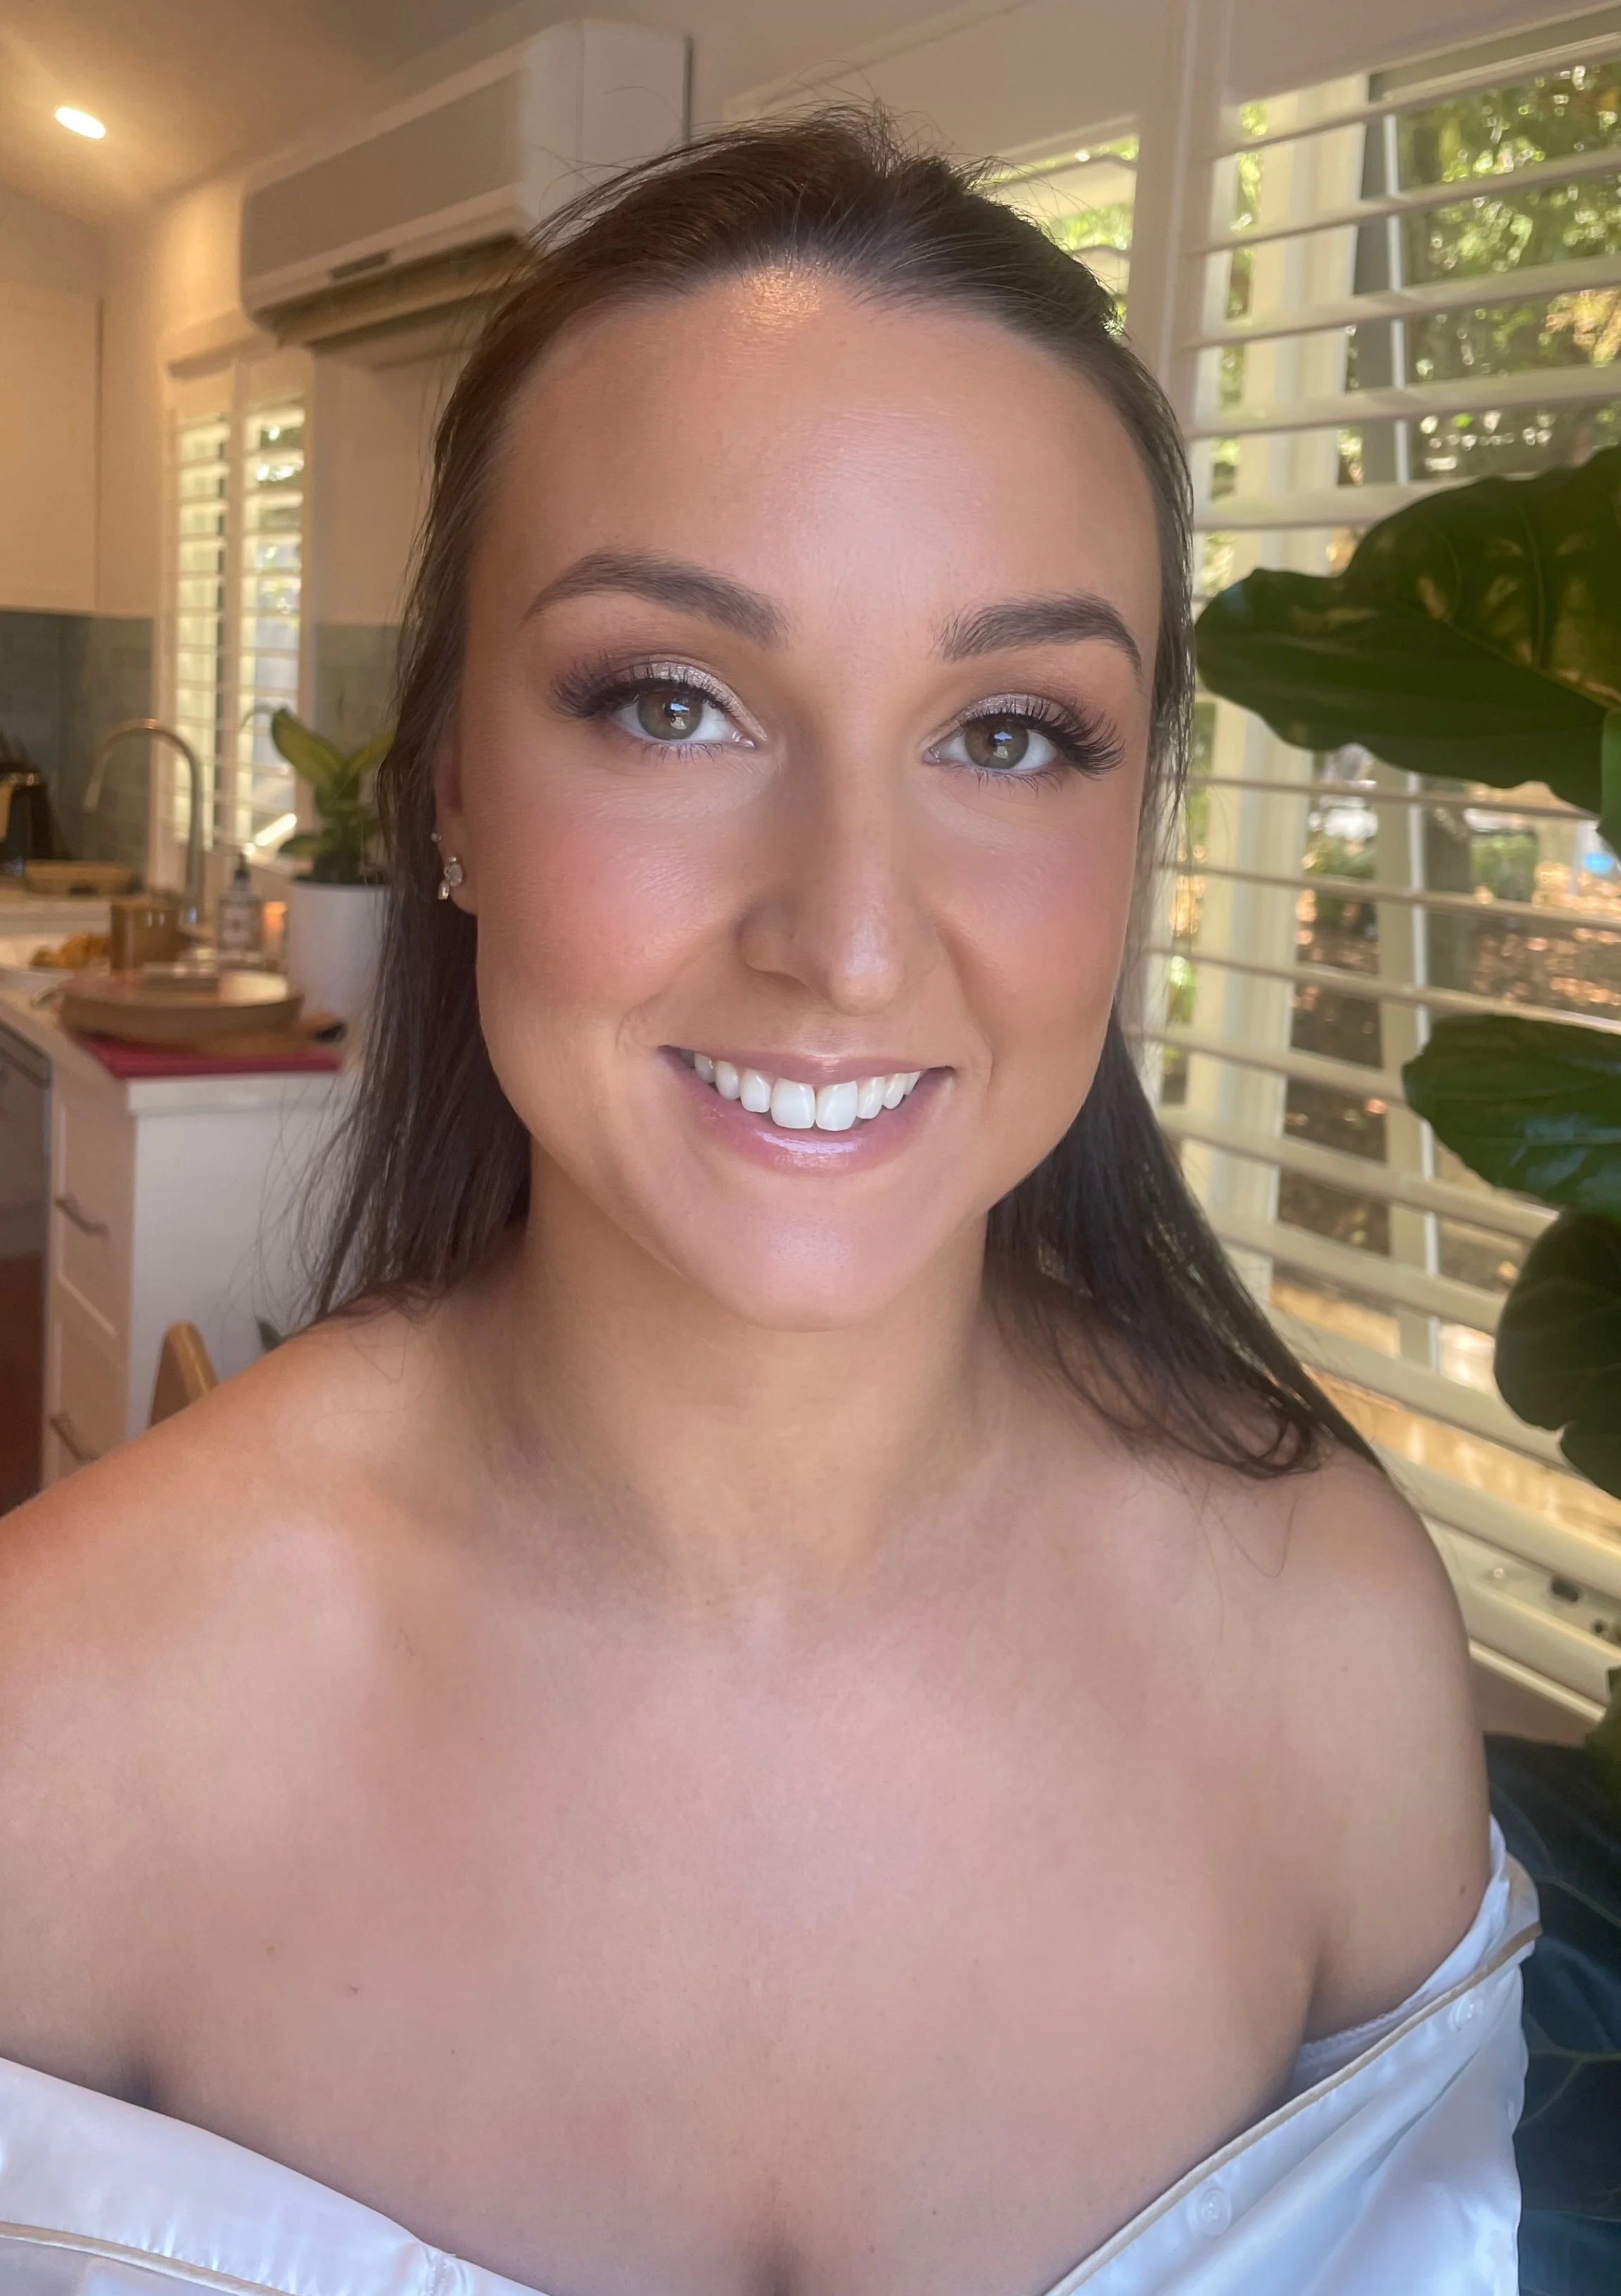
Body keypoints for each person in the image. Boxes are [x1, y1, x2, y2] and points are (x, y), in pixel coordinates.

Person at [0, 110, 1535, 2296]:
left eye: (1010, 733)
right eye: (675, 704)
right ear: (450, 790)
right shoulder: (61, 1714)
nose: (852, 941)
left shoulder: (1329, 1656)